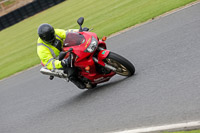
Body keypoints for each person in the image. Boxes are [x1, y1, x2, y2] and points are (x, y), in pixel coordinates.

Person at [37, 23, 87, 89]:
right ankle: (74, 79)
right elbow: (50, 63)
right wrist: (62, 63)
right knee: (71, 69)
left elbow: (68, 33)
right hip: (57, 60)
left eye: (52, 36)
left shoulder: (55, 32)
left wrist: (80, 31)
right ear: (43, 39)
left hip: (64, 51)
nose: (52, 39)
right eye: (49, 38)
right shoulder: (41, 49)